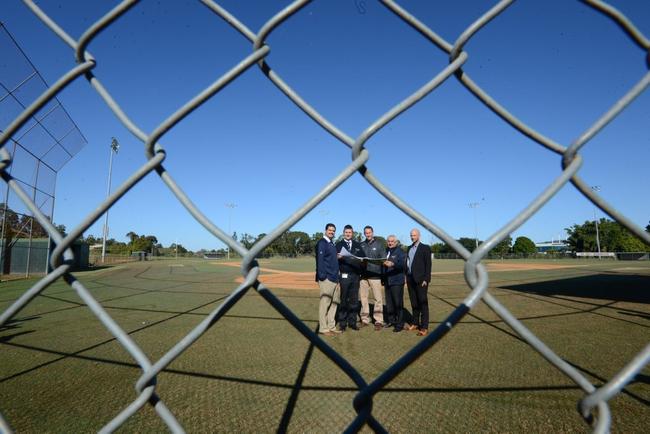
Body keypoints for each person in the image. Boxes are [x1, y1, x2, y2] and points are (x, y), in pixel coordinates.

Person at [335, 224, 364, 331]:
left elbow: (363, 258)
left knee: (354, 300)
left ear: (352, 233)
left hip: (355, 276)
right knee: (343, 299)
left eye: (350, 232)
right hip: (344, 275)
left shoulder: (357, 245)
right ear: (343, 233)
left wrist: (361, 260)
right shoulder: (339, 244)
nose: (348, 234)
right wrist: (338, 257)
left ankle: (352, 322)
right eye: (346, 232)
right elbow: (334, 258)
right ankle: (342, 323)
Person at [315, 223, 340, 336]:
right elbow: (320, 261)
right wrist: (323, 277)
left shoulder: (331, 243)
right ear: (325, 230)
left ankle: (331, 326)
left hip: (335, 278)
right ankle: (323, 328)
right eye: (330, 230)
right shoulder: (322, 243)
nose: (331, 232)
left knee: (334, 303)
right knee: (325, 303)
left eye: (333, 230)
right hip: (327, 278)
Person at [405, 228, 432, 336]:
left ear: (419, 236)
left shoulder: (425, 248)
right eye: (411, 235)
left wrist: (426, 279)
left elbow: (428, 265)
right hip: (410, 279)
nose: (412, 237)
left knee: (423, 303)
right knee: (414, 303)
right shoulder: (409, 248)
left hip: (421, 281)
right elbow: (407, 263)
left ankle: (424, 327)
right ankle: (415, 323)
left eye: (414, 235)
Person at [359, 225, 385, 331]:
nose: (368, 234)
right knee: (363, 298)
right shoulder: (361, 245)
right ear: (364, 234)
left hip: (375, 275)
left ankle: (378, 320)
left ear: (372, 233)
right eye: (366, 233)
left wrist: (383, 276)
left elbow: (383, 260)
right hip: (363, 276)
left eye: (369, 232)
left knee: (377, 299)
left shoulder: (379, 244)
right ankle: (365, 319)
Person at [382, 235, 406, 333]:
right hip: (387, 281)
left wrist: (393, 264)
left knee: (398, 303)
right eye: (389, 241)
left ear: (396, 242)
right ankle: (391, 321)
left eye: (392, 241)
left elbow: (403, 265)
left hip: (397, 281)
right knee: (389, 303)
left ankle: (400, 324)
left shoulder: (400, 252)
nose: (390, 243)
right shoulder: (386, 250)